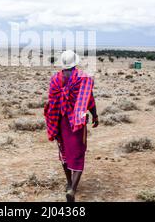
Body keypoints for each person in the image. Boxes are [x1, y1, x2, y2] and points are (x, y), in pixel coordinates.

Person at [44, 50, 98, 202]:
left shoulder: (55, 79)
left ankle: (69, 183)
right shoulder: (83, 78)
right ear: (76, 62)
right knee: (79, 153)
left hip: (60, 121)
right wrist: (95, 115)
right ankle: (72, 189)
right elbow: (89, 98)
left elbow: (52, 101)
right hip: (77, 121)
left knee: (65, 152)